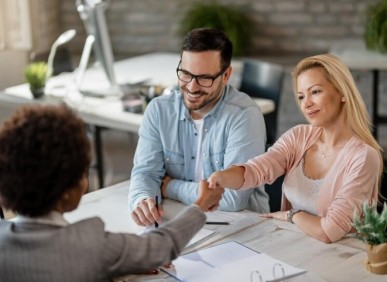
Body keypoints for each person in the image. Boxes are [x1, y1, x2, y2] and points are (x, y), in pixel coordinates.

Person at [0, 104, 224, 282]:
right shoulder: (91, 246)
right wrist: (201, 204)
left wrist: (105, 268)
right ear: (67, 192)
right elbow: (161, 247)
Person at [208, 54, 384, 244]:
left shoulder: (363, 156)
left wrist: (292, 215)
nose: (306, 104)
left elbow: (329, 231)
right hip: (296, 244)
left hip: (342, 256)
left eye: (315, 92)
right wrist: (220, 178)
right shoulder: (299, 136)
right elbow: (256, 170)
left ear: (342, 92)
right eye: (301, 96)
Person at [129, 27, 269, 227]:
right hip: (178, 219)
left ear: (226, 75)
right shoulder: (159, 111)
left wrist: (171, 187)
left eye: (204, 78)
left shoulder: (244, 115)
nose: (192, 87)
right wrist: (142, 199)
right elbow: (146, 173)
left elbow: (232, 199)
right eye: (185, 74)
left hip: (241, 227)